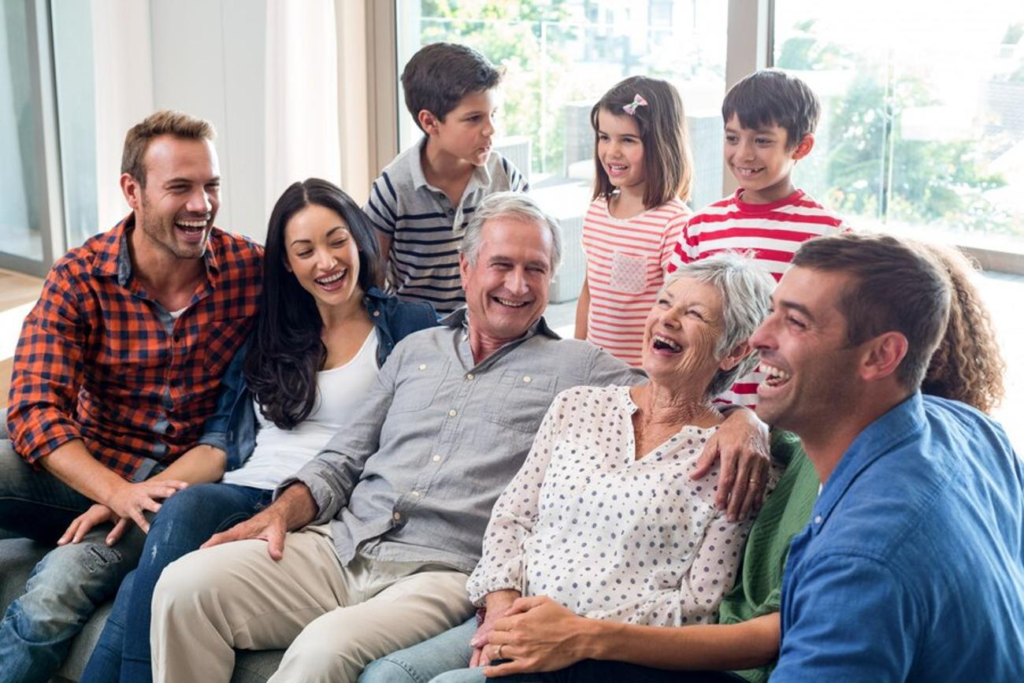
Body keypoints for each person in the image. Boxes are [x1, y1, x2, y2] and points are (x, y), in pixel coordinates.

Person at [148, 193, 771, 683]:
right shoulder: (415, 349)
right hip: (340, 545)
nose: (519, 285)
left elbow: (682, 387)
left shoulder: (580, 370)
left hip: (440, 573)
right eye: (502, 265)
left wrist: (750, 421)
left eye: (537, 270)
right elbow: (343, 458)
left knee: (321, 652)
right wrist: (283, 512)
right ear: (466, 266)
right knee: (183, 587)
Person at [389, 240, 1011, 683]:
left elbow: (756, 613)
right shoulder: (974, 431)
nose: (762, 340)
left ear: (881, 358)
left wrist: (585, 634)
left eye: (792, 321)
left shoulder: (858, 564)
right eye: (769, 315)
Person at [78, 179, 437, 683]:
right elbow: (218, 445)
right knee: (169, 542)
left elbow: (430, 431)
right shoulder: (270, 330)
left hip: (320, 501)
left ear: (359, 238)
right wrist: (126, 494)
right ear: (288, 264)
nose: (326, 262)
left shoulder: (409, 325)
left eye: (336, 241)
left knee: (146, 581)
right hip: (243, 490)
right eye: (305, 250)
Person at [362, 252, 778, 683]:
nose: (667, 319)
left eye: (693, 314)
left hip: (604, 657)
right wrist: (503, 614)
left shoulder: (733, 459)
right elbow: (512, 518)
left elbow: (696, 606)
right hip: (514, 615)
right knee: (386, 677)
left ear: (733, 351)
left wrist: (573, 629)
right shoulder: (577, 405)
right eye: (663, 302)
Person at [0, 110, 262, 683]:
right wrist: (114, 490)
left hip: (169, 496)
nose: (202, 204)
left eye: (210, 186)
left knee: (53, 592)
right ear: (132, 191)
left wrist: (133, 498)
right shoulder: (80, 275)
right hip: (91, 469)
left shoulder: (250, 271)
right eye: (180, 188)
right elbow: (33, 408)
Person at [667, 69, 846, 406]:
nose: (743, 154)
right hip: (704, 412)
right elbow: (673, 317)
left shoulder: (830, 236)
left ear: (801, 146)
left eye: (762, 141)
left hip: (788, 416)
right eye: (732, 138)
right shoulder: (700, 226)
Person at [365, 42, 528, 314]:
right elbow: (371, 275)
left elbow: (527, 253)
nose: (490, 130)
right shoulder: (393, 188)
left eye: (493, 115)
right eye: (474, 118)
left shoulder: (507, 178)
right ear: (429, 122)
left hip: (489, 322)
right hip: (416, 330)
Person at [574, 76, 693, 367]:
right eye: (604, 137)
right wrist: (575, 354)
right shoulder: (597, 211)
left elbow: (677, 316)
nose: (611, 152)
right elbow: (590, 292)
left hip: (643, 377)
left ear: (661, 145)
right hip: (594, 370)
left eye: (627, 140)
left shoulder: (674, 224)